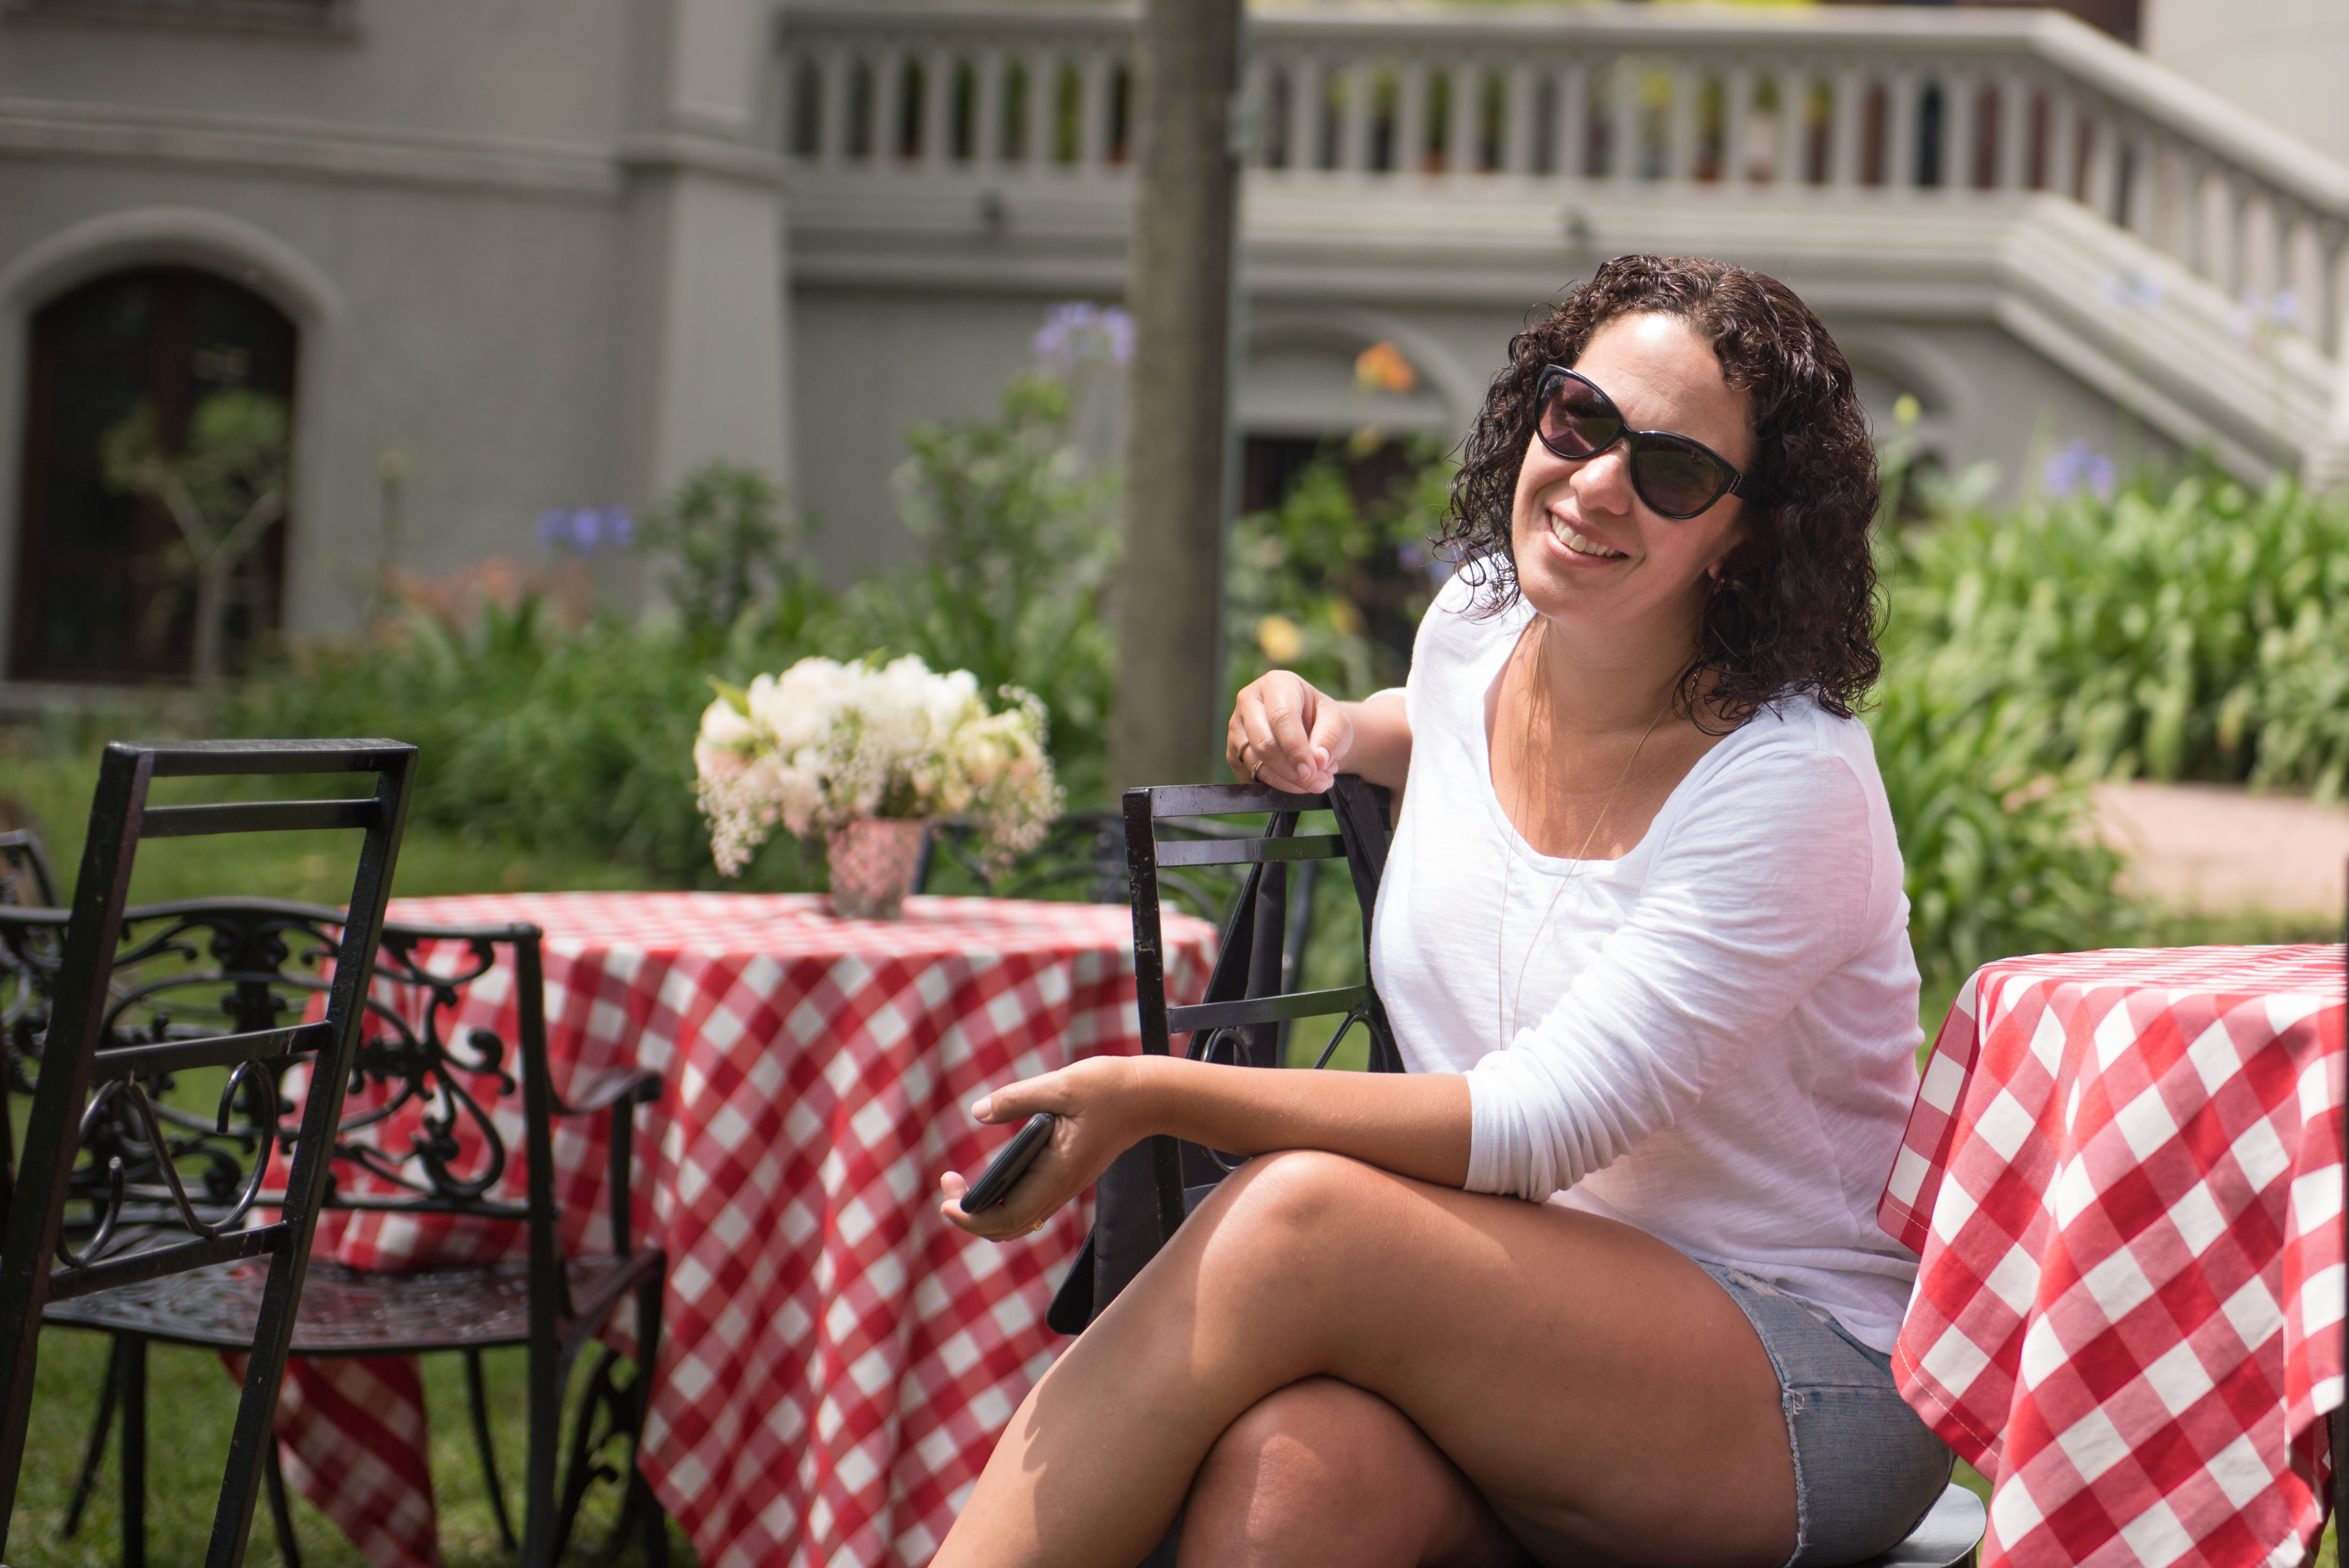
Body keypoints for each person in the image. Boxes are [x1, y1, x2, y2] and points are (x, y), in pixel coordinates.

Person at [931, 254, 1952, 1568]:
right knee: (1293, 1475)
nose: (1596, 483)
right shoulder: (1477, 625)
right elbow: (1451, 728)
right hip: (1507, 1311)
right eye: (1580, 418)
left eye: (1673, 471)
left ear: (1745, 533)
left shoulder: (1786, 786)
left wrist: (1157, 1095)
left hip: (1798, 1377)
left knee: (1299, 1223)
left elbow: (1536, 1127)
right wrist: (1344, 728)